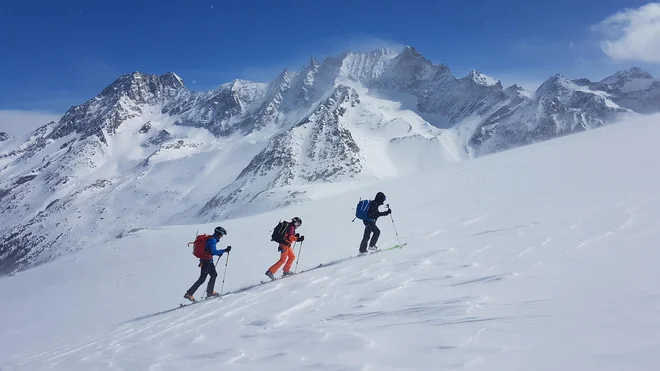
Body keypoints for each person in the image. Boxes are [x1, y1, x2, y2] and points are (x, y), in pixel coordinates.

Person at [184, 226, 231, 302]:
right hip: (206, 262)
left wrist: (220, 253)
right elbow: (213, 251)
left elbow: (209, 251)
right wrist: (224, 250)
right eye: (222, 235)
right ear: (219, 234)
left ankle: (210, 292)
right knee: (202, 279)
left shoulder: (212, 239)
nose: (222, 236)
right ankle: (189, 294)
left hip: (208, 261)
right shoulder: (212, 240)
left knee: (214, 275)